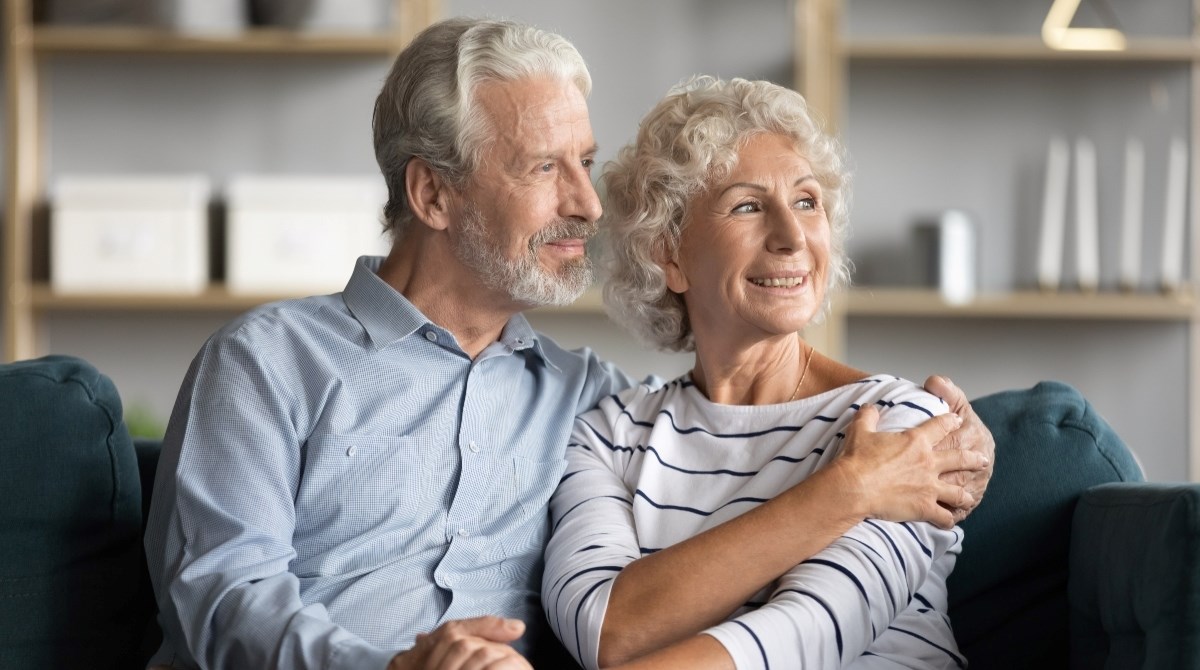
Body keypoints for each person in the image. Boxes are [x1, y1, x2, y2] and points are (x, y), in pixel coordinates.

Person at [143, 17, 993, 670]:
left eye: (586, 163)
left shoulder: (589, 400)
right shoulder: (268, 361)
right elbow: (220, 595)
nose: (589, 205)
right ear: (433, 194)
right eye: (548, 168)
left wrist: (961, 442)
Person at [544, 76, 973, 670]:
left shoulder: (900, 427)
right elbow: (606, 631)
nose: (792, 237)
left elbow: (807, 637)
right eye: (748, 205)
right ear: (668, 255)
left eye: (806, 202)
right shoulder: (607, 437)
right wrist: (847, 491)